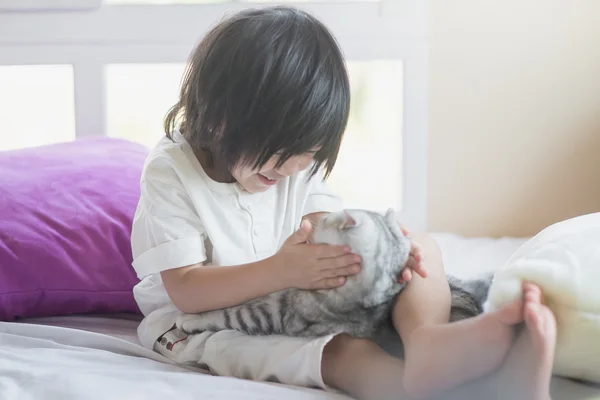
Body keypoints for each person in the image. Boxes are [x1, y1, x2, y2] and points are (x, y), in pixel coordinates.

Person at [130, 6, 556, 400]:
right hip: (199, 325)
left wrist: (385, 256)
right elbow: (185, 289)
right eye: (283, 149)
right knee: (340, 353)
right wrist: (279, 270)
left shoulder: (293, 166)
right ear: (222, 114)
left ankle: (429, 341)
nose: (295, 167)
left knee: (419, 245)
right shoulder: (171, 170)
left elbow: (327, 231)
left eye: (310, 154)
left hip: (291, 296)